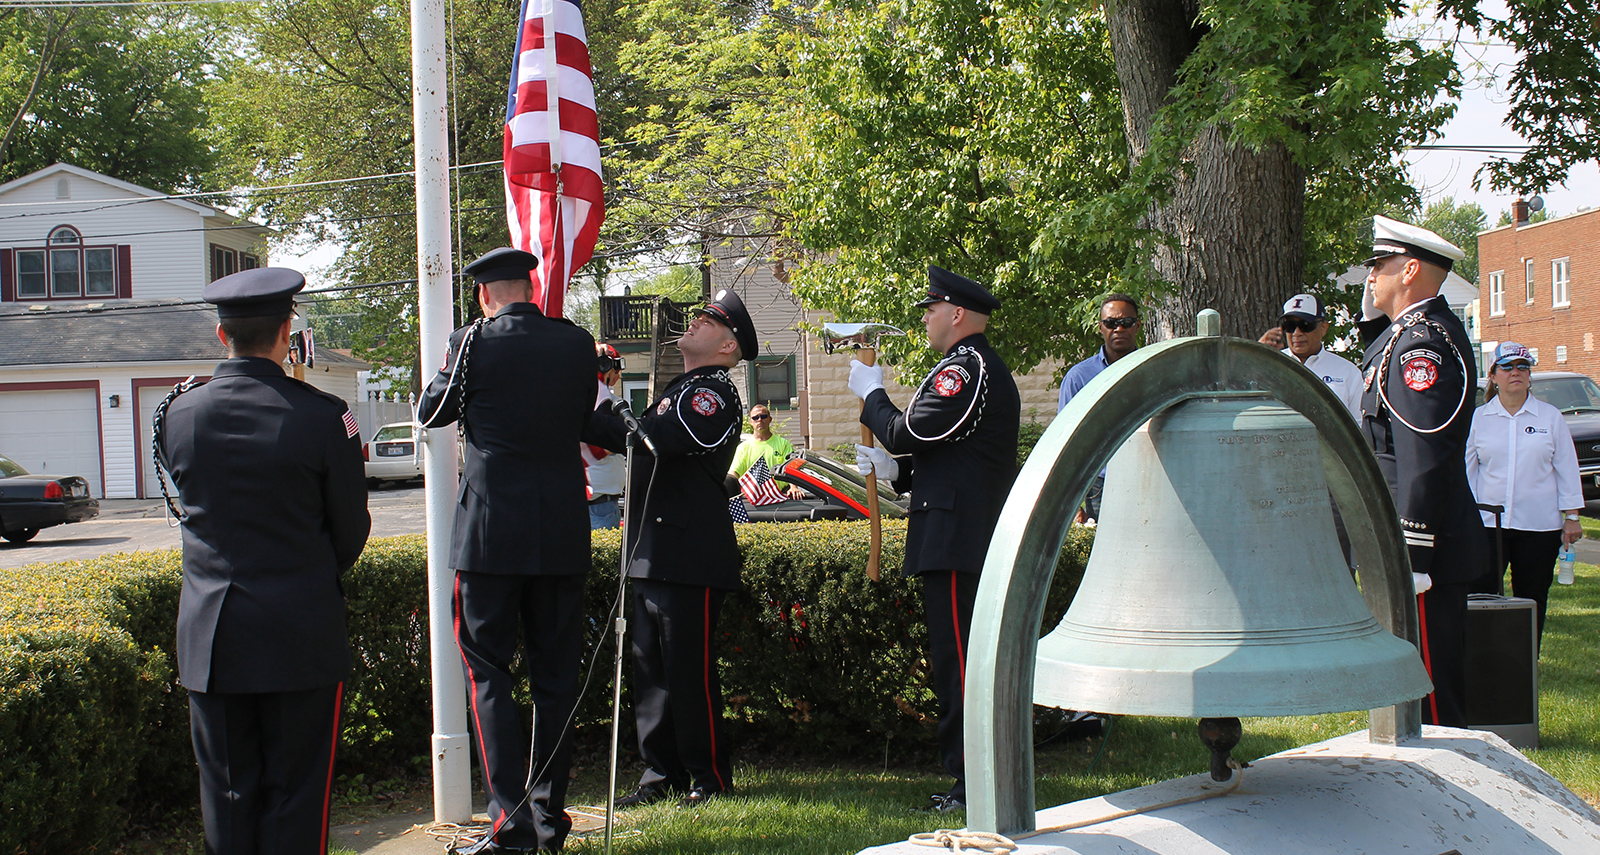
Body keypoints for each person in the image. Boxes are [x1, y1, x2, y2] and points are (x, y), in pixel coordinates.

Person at [156, 267, 370, 855]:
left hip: (213, 636)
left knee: (226, 793)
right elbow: (351, 534)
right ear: (286, 331)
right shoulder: (329, 417)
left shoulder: (178, 413)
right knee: (298, 794)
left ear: (222, 337)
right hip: (300, 633)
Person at [417, 247, 597, 854]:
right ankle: (549, 821)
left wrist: (454, 359)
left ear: (482, 295)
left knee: (488, 673)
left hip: (492, 534)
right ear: (530, 286)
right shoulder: (575, 343)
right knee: (556, 678)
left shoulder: (472, 343)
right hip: (562, 529)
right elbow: (580, 416)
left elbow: (432, 412)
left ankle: (510, 823)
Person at [850, 265, 1020, 813]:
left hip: (957, 538)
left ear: (957, 313)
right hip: (955, 530)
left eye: (931, 307)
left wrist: (873, 394)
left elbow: (911, 432)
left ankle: (974, 783)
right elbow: (949, 458)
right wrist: (897, 473)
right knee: (957, 662)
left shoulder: (966, 367)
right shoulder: (966, 365)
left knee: (961, 667)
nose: (924, 316)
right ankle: (972, 778)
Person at [587, 288, 756, 809]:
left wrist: (607, 406)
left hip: (689, 553)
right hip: (655, 549)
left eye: (708, 319)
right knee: (652, 672)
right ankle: (662, 774)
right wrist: (582, 392)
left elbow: (662, 436)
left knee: (687, 671)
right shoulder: (678, 388)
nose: (696, 321)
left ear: (728, 347)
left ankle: (708, 776)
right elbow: (617, 432)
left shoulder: (713, 393)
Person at [1357, 214, 1488, 729]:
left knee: (1429, 699)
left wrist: (1413, 554)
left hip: (1424, 553)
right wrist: (1372, 318)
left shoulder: (1422, 346)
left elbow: (1423, 454)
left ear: (1409, 269)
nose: (1370, 276)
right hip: (1412, 546)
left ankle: (1447, 797)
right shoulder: (1408, 335)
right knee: (1407, 694)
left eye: (1378, 264)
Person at [1465, 342, 1585, 647]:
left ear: (1530, 375)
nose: (1515, 373)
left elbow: (1567, 468)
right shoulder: (1479, 419)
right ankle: (1485, 658)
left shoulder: (1549, 417)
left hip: (1539, 527)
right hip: (1488, 526)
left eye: (1522, 367)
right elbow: (1467, 472)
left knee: (1532, 597)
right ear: (1493, 375)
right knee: (1482, 596)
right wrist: (1465, 516)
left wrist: (1571, 516)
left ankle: (1524, 662)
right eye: (1507, 367)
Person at [1057, 294, 1142, 521]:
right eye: (1111, 323)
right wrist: (1072, 504)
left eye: (1127, 323)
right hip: (1100, 485)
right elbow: (1066, 443)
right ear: (1100, 327)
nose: (1119, 329)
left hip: (1148, 478)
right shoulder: (1079, 377)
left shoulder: (1153, 370)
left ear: (1138, 325)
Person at [1258, 293, 1363, 419]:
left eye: (1305, 325)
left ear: (1323, 328)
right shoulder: (1269, 364)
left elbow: (1359, 426)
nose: (1297, 333)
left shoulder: (1348, 372)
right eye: (1290, 326)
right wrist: (1257, 356)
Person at [585, 343, 627, 529]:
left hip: (599, 501)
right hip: (598, 504)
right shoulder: (609, 404)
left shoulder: (568, 397)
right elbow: (612, 442)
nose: (617, 374)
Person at [729, 403, 806, 499]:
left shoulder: (783, 444)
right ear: (751, 422)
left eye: (763, 416)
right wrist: (727, 488)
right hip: (753, 500)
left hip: (781, 498)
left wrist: (794, 487)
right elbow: (734, 473)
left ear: (770, 419)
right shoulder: (743, 448)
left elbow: (791, 469)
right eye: (755, 418)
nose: (759, 420)